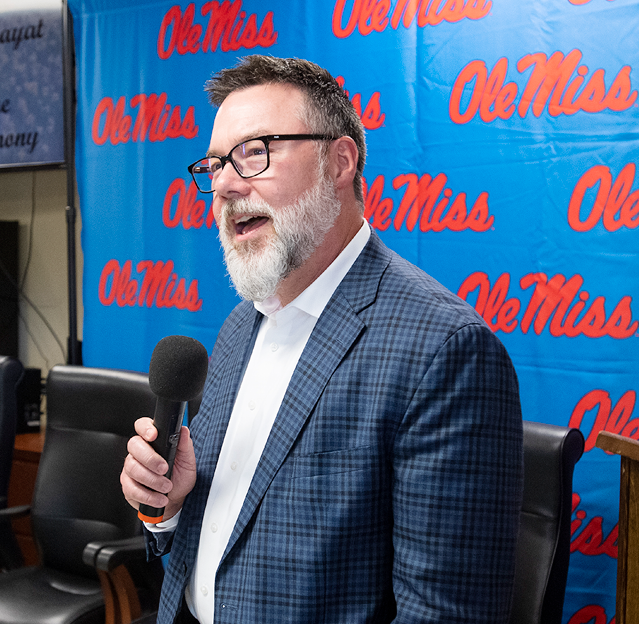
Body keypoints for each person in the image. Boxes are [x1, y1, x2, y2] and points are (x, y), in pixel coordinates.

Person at [121, 55, 523, 624]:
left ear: (339, 161)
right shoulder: (241, 325)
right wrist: (170, 508)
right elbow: (219, 550)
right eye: (214, 165)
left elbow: (446, 614)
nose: (226, 185)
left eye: (254, 153)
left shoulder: (445, 351)